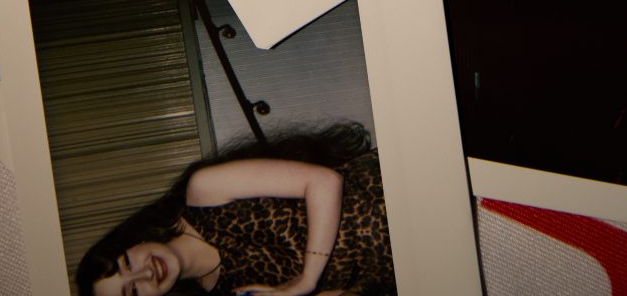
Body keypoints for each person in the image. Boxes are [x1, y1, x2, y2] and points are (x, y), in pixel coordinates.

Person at [76, 124, 397, 296]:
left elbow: (325, 182)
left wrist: (306, 279)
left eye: (127, 263)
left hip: (392, 194)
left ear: (132, 241)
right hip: (400, 267)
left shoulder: (205, 191)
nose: (145, 273)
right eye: (132, 292)